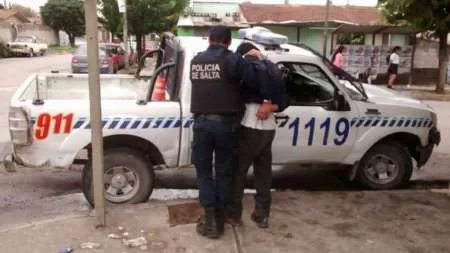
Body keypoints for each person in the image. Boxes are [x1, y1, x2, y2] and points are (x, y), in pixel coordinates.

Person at [189, 26, 271, 239]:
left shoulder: (196, 60)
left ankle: (210, 220)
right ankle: (220, 218)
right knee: (224, 172)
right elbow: (254, 80)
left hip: (201, 124)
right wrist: (257, 59)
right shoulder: (233, 60)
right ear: (228, 42)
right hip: (225, 126)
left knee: (204, 173)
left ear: (209, 40)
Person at [228, 42, 288, 229]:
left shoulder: (250, 65)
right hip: (268, 127)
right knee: (263, 173)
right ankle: (262, 215)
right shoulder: (273, 67)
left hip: (249, 124)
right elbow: (285, 99)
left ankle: (234, 215)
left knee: (239, 172)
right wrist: (272, 105)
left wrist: (265, 101)